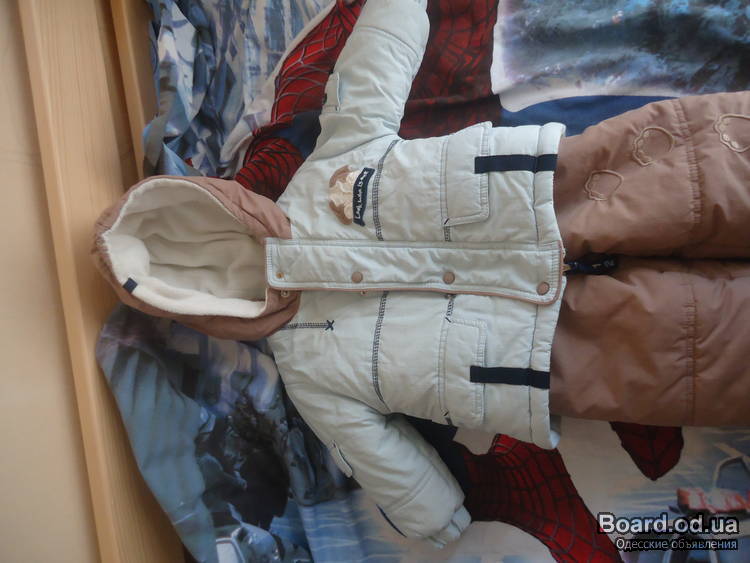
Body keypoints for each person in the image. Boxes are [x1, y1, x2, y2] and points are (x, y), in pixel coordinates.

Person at [91, 0, 749, 548]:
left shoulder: (327, 170)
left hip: (551, 195)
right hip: (548, 349)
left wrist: (396, 8)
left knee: (703, 177)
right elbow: (373, 451)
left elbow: (371, 73)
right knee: (709, 344)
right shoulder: (308, 366)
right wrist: (432, 513)